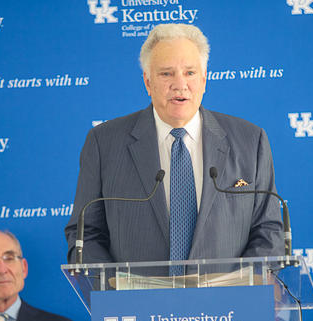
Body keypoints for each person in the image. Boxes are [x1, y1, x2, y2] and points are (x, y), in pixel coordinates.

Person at [64, 23, 283, 264]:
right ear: (148, 82)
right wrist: (112, 293)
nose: (180, 84)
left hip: (227, 299)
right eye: (166, 73)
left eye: (189, 73)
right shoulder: (104, 143)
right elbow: (86, 235)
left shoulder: (250, 140)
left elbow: (268, 230)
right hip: (136, 299)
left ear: (204, 79)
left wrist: (242, 287)